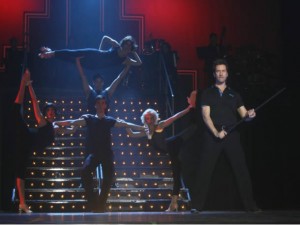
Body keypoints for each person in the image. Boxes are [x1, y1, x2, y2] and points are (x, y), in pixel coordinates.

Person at [54, 95, 144, 212]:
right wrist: (57, 123)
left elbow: (127, 124)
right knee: (85, 171)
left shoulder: (109, 120)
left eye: (103, 103)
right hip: (94, 154)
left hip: (106, 154)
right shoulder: (89, 118)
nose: (101, 106)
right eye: (98, 103)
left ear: (105, 105)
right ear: (95, 105)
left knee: (108, 177)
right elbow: (73, 122)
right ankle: (93, 203)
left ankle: (100, 205)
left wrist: (144, 128)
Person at [191, 58, 259, 212]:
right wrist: (216, 133)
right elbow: (205, 116)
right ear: (214, 74)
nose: (221, 74)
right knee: (204, 170)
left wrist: (250, 115)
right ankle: (196, 206)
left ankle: (251, 206)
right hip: (212, 136)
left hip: (232, 135)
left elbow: (244, 116)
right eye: (218, 71)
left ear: (227, 74)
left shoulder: (234, 95)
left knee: (241, 170)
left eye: (223, 71)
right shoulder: (207, 93)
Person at [12, 69, 73, 213]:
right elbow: (34, 102)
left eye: (53, 111)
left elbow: (68, 128)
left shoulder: (55, 127)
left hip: (28, 146)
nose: (51, 112)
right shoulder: (42, 121)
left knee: (21, 172)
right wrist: (29, 86)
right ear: (46, 113)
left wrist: (74, 128)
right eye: (49, 111)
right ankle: (23, 83)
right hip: (26, 136)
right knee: (15, 113)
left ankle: (22, 203)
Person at [125, 95, 196, 212]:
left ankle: (173, 204)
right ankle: (174, 203)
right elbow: (132, 134)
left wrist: (188, 109)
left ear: (154, 118)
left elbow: (174, 117)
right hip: (170, 149)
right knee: (176, 175)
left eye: (151, 118)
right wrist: (125, 125)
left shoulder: (159, 125)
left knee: (191, 130)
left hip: (173, 145)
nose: (149, 120)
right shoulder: (146, 131)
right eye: (147, 118)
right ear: (144, 120)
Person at [38, 35, 142, 70]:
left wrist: (133, 51)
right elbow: (105, 38)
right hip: (95, 54)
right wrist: (100, 51)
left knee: (73, 61)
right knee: (74, 53)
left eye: (129, 46)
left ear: (131, 48)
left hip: (93, 66)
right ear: (123, 43)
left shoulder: (126, 60)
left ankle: (53, 54)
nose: (126, 46)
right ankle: (51, 53)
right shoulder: (116, 46)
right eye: (126, 44)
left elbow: (139, 63)